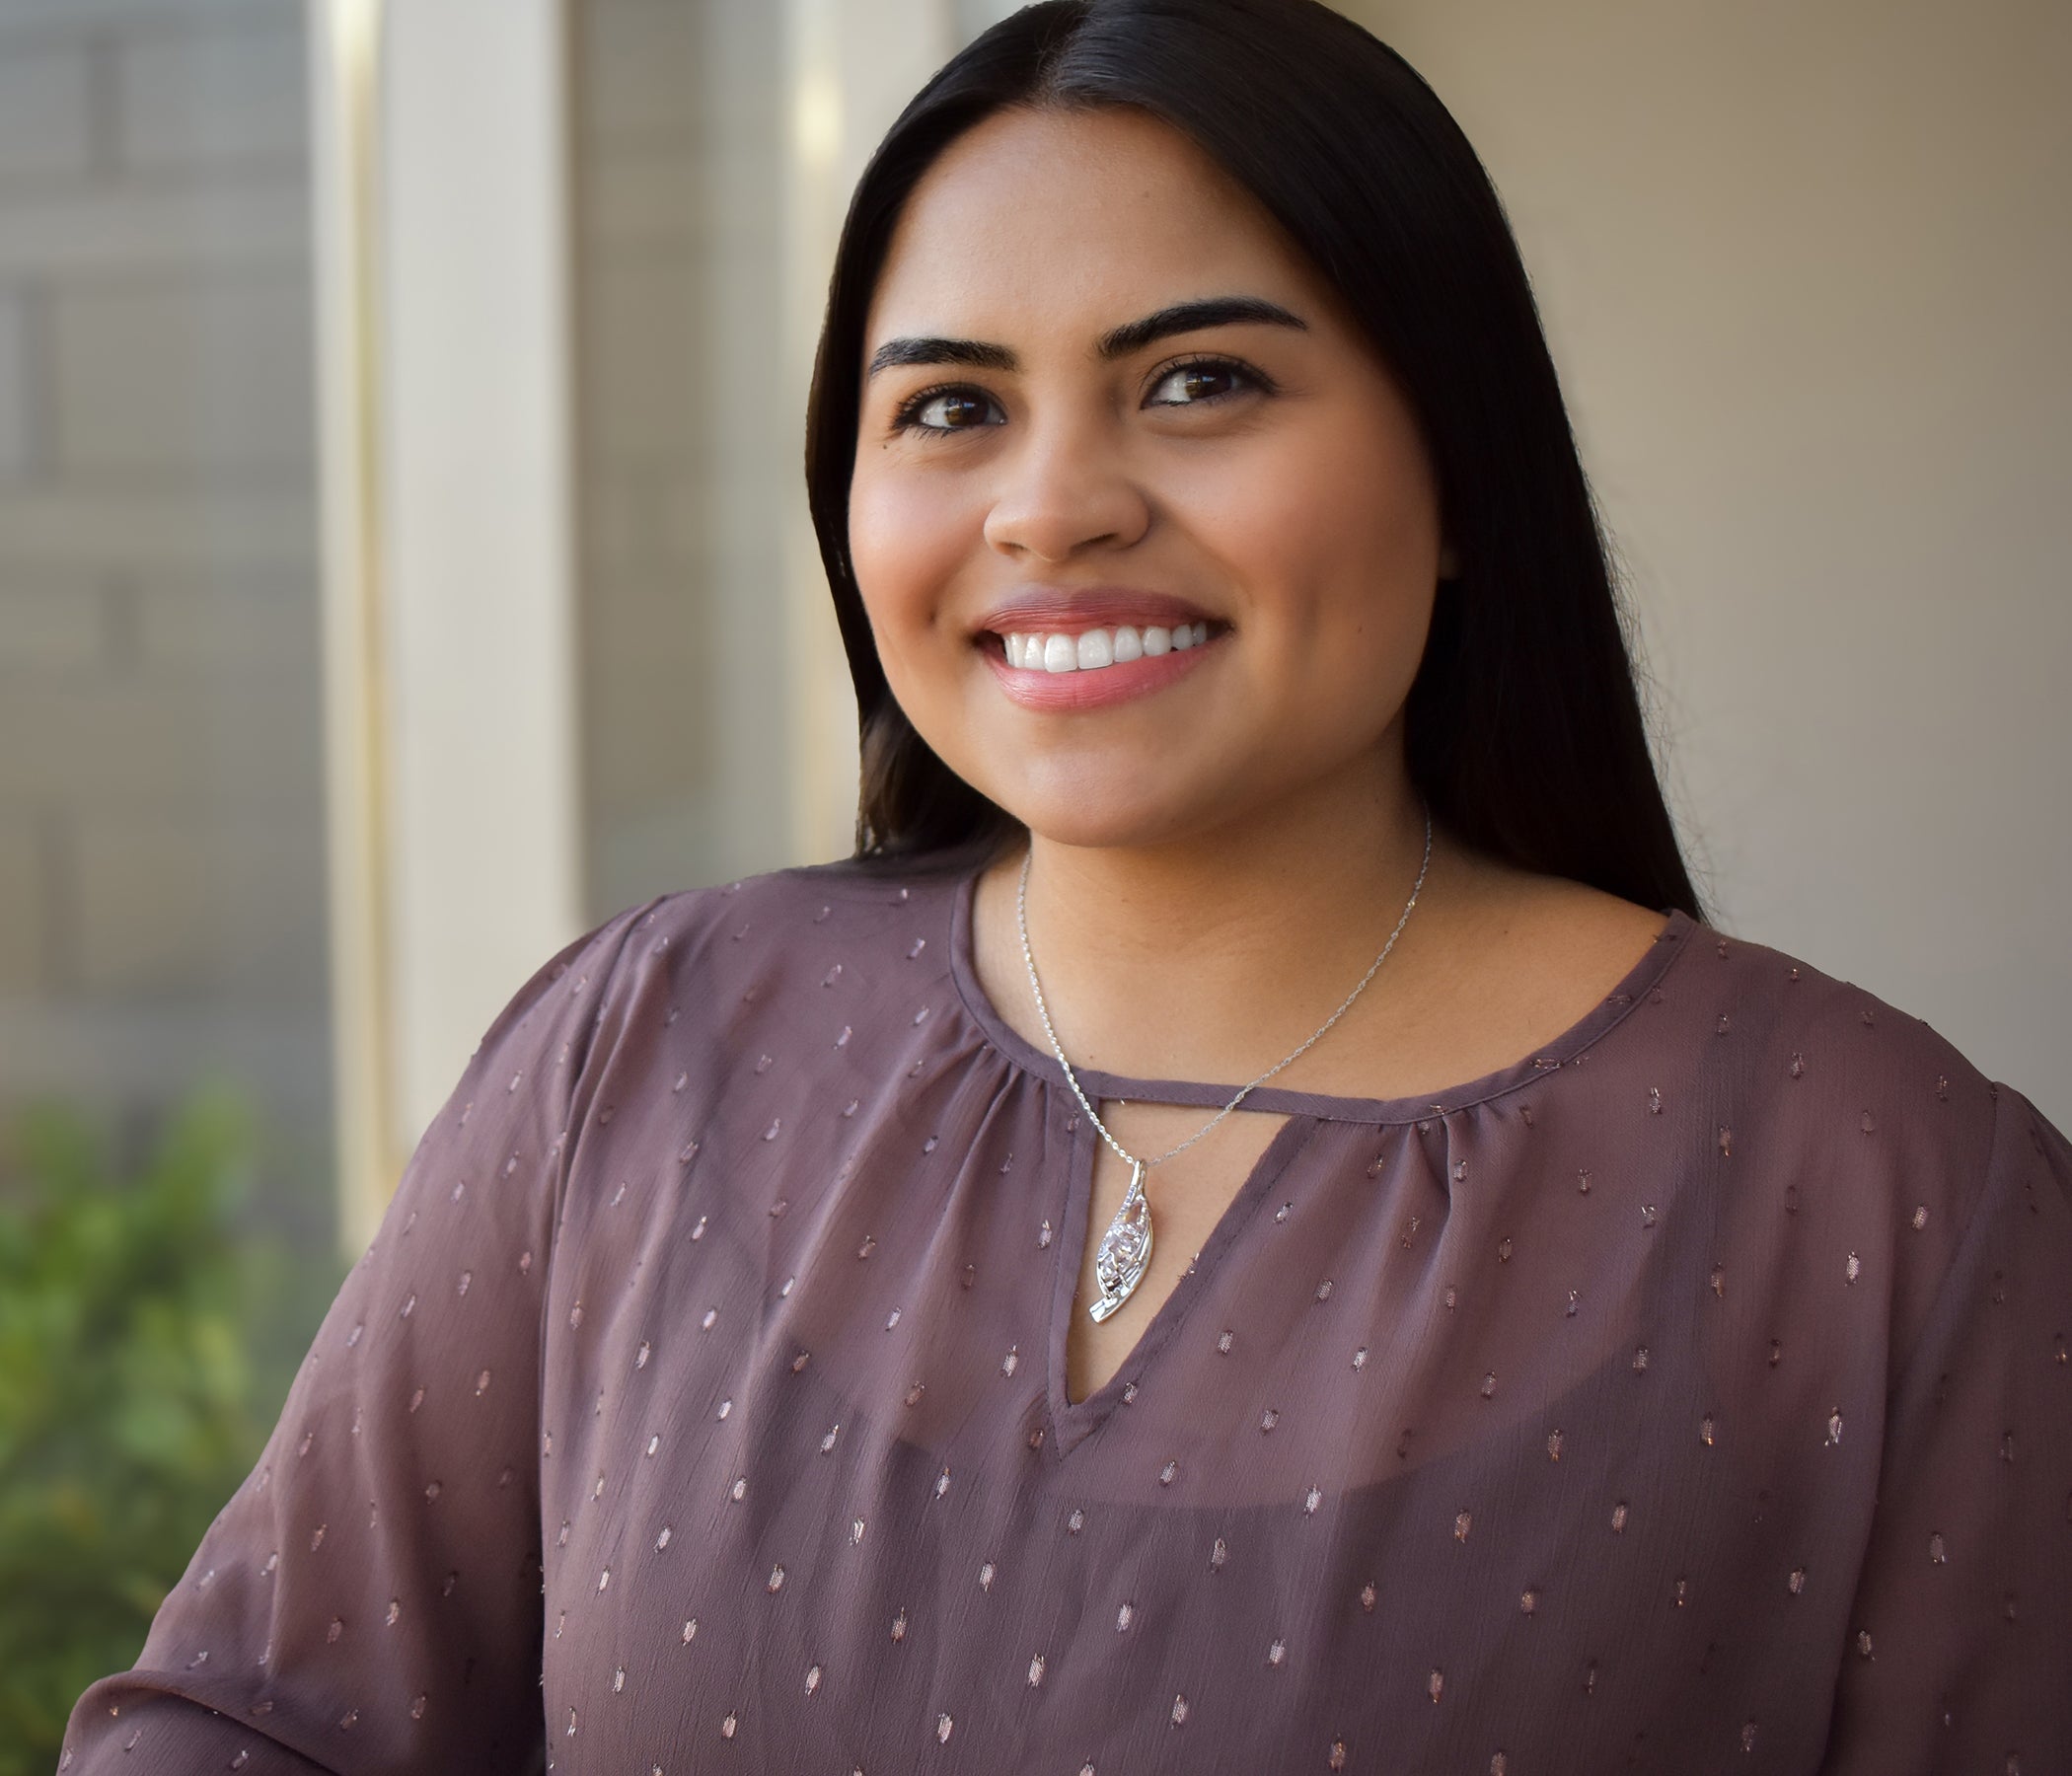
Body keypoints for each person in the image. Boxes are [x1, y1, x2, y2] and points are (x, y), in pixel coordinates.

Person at [62, 1, 2070, 1771]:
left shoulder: (1887, 1198)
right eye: (951, 407)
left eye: (1199, 382)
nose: (1052, 508)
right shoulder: (636, 1051)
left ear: (1463, 468)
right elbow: (253, 1723)